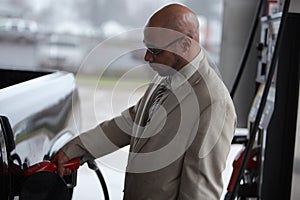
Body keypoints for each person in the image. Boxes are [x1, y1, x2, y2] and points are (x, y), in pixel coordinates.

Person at [52, 3, 236, 199]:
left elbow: (199, 192)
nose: (147, 57)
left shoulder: (213, 102)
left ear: (184, 44)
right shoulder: (165, 78)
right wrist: (74, 149)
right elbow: (128, 124)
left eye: (155, 51)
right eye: (147, 48)